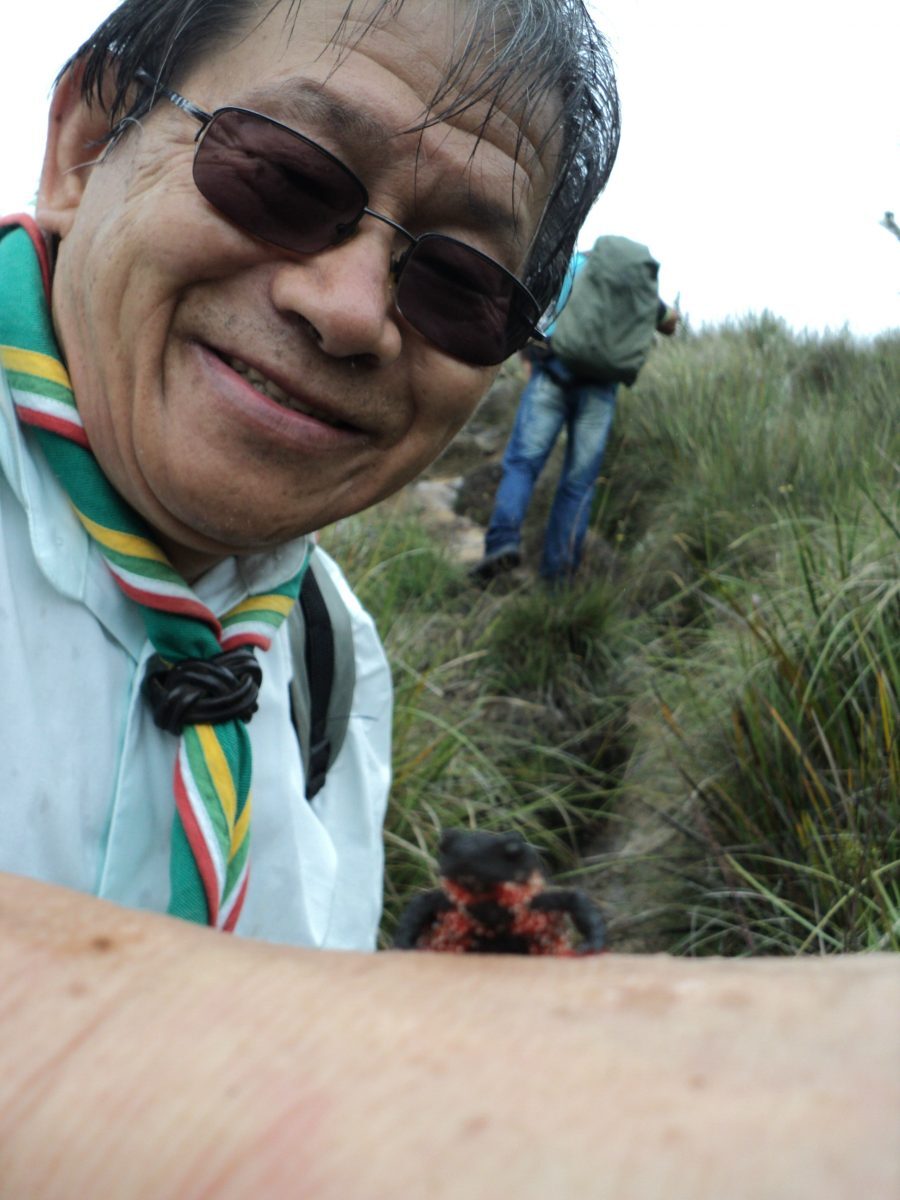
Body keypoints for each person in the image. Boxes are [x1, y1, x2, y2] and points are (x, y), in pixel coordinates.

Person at [2, 4, 897, 1195]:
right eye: (277, 176)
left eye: (463, 288)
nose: (350, 307)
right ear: (85, 141)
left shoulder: (332, 661)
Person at [472, 236, 678, 584]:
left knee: (523, 464)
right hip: (600, 390)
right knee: (578, 485)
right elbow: (670, 324)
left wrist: (527, 356)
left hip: (554, 373)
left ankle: (502, 544)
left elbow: (541, 306)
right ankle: (558, 576)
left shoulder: (577, 265)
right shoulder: (639, 291)